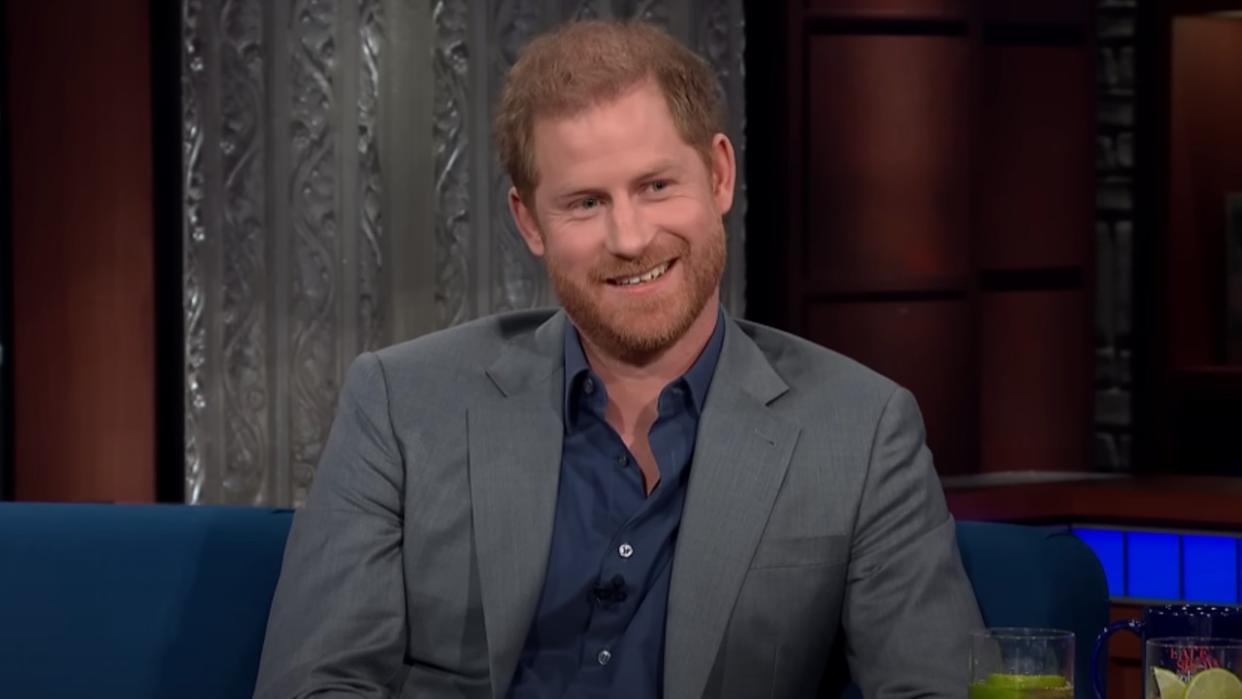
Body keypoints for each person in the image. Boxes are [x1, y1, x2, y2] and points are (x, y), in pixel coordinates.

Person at [254, 19, 983, 699]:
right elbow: (316, 682)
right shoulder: (400, 403)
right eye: (585, 203)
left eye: (656, 185)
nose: (630, 237)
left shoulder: (860, 430)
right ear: (529, 222)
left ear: (720, 177)